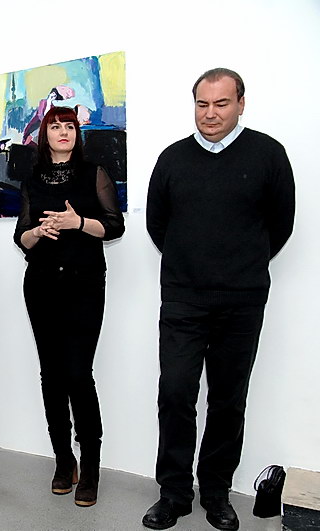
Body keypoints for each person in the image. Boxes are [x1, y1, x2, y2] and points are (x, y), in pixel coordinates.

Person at [143, 68, 295, 530]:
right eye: (202, 104)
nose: (210, 114)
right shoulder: (172, 159)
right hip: (183, 298)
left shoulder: (268, 154)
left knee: (228, 400)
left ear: (241, 104)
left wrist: (240, 264)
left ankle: (215, 492)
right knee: (175, 394)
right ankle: (173, 493)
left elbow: (281, 224)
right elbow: (157, 225)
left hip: (242, 300)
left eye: (221, 104)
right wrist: (191, 263)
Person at [14, 106, 124, 507]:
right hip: (41, 284)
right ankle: (64, 459)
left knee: (78, 374)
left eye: (70, 126)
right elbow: (21, 237)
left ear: (78, 133)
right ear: (44, 135)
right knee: (51, 376)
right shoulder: (32, 179)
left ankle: (90, 466)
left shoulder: (94, 173)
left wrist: (77, 223)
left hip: (84, 284)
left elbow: (114, 225)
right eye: (56, 126)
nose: (63, 132)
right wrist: (38, 231)